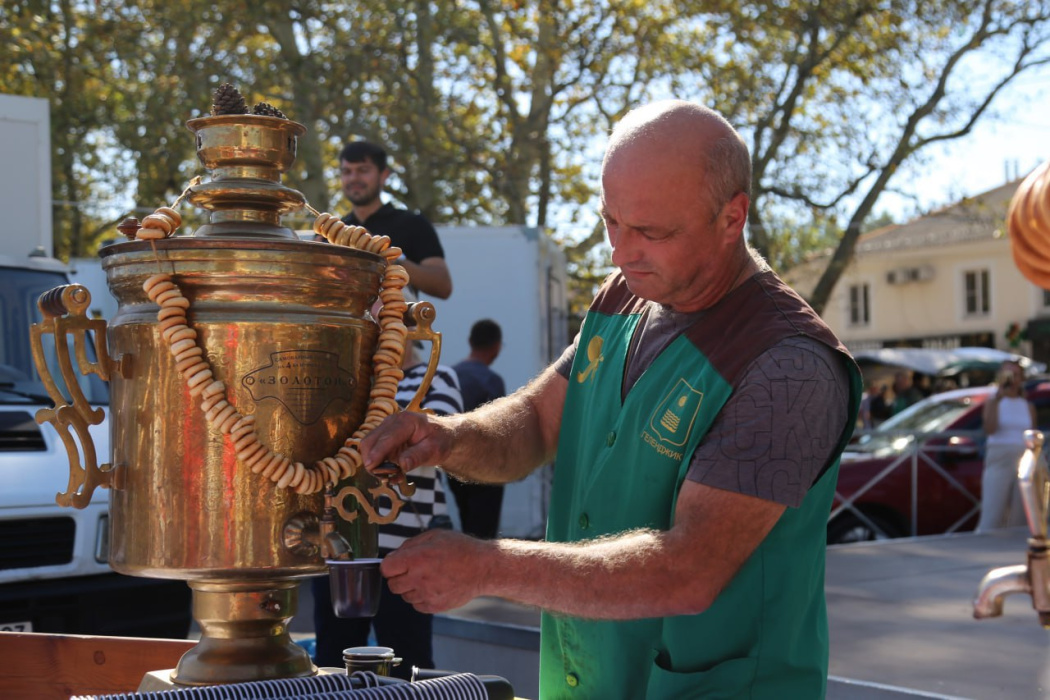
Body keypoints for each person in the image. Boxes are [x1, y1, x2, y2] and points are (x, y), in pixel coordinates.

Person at [359, 100, 861, 697]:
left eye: (651, 231)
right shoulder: (622, 297)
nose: (620, 252)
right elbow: (536, 425)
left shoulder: (788, 363)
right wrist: (446, 437)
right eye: (610, 221)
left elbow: (688, 571)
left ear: (734, 217)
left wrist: (486, 566)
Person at [311, 341, 463, 677]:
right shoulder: (347, 381)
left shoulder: (434, 376)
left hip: (404, 548)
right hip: (341, 549)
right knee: (333, 662)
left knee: (409, 663)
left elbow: (434, 438)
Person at [339, 140, 452, 299]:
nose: (353, 178)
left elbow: (442, 285)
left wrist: (386, 258)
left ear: (384, 175)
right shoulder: (333, 232)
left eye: (363, 170)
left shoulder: (413, 224)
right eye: (346, 172)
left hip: (398, 322)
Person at [449, 319, 507, 539]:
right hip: (486, 468)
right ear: (497, 346)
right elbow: (499, 426)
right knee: (484, 534)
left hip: (454, 465)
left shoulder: (449, 375)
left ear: (470, 341)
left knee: (466, 524)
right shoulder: (491, 380)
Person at [976, 360, 1036, 533]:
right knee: (993, 512)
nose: (1012, 379)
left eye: (1015, 375)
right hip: (1000, 456)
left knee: (1020, 513)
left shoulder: (1028, 405)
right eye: (1007, 374)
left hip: (1023, 457)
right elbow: (990, 429)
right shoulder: (993, 402)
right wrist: (998, 396)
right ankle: (984, 548)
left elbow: (1032, 434)